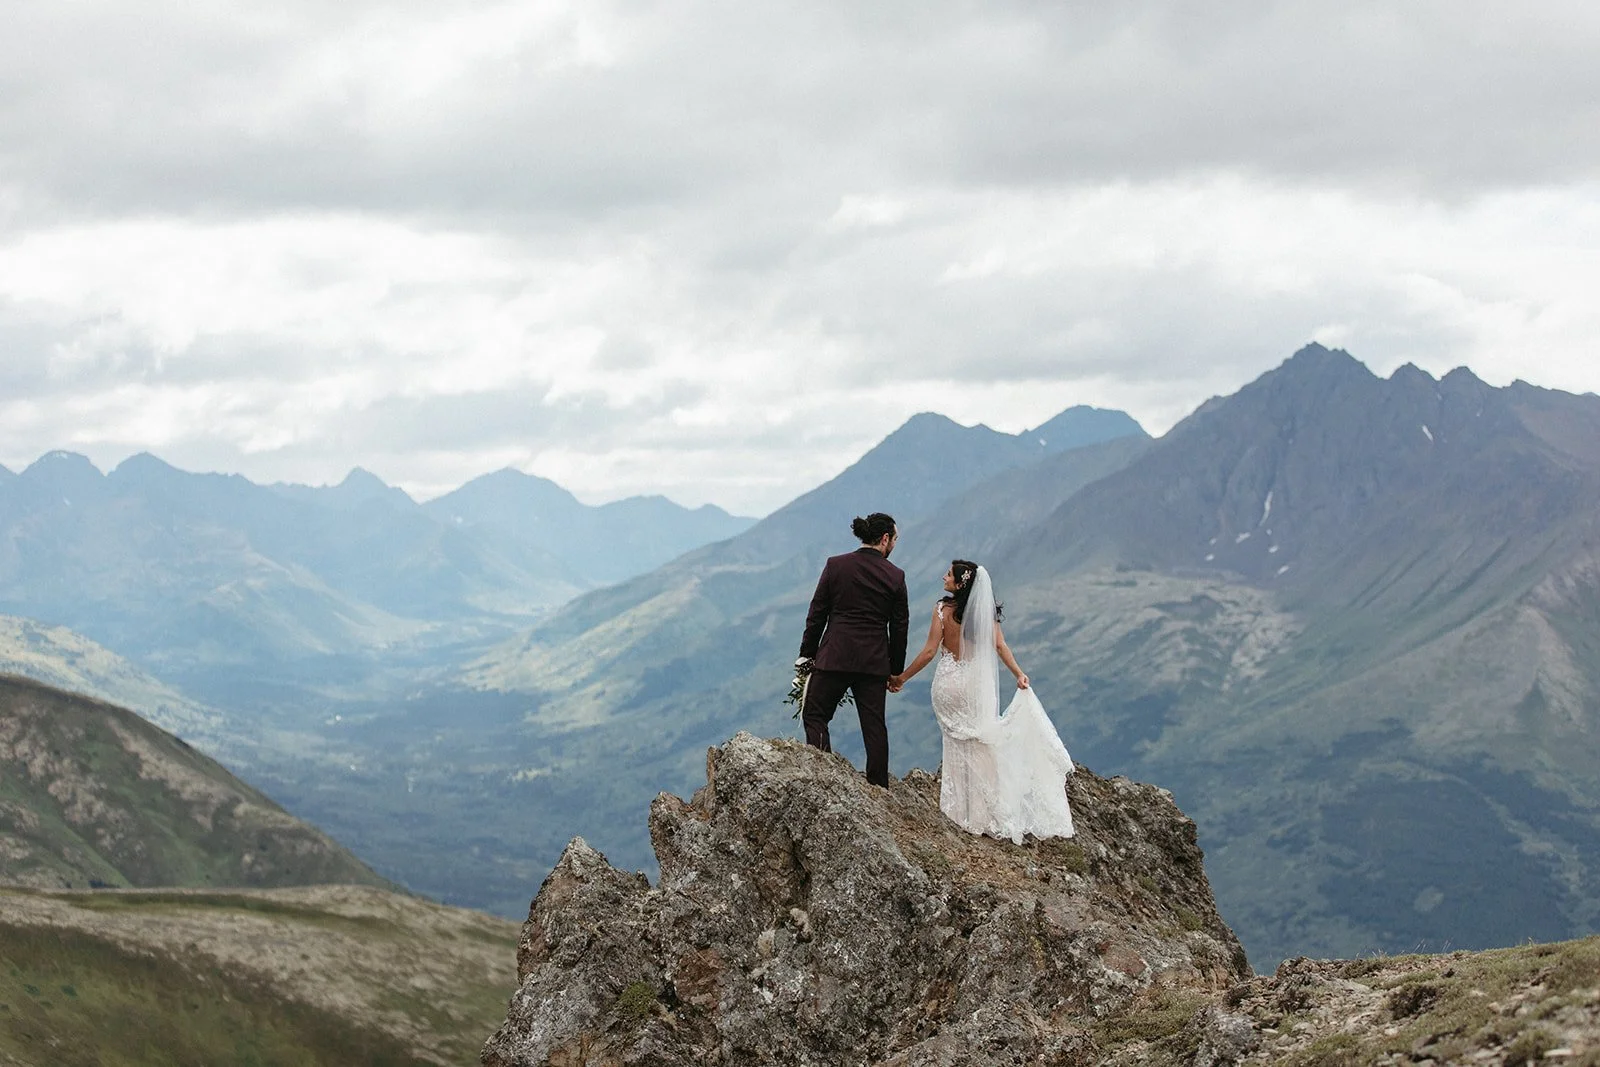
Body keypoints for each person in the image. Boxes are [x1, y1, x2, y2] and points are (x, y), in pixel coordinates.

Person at [891, 560, 1075, 841]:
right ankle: (981, 815)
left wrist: (902, 678)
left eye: (949, 574)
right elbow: (1000, 646)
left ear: (960, 583)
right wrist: (1019, 674)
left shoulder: (942, 610)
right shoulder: (983, 615)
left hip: (948, 685)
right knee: (981, 746)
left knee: (955, 744)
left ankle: (956, 812)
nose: (944, 576)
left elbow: (929, 652)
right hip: (975, 688)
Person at [797, 512, 911, 787]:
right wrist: (894, 670)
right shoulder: (895, 576)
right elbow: (899, 629)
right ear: (885, 539)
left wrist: (807, 655)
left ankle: (824, 777)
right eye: (895, 539)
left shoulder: (836, 566)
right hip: (873, 663)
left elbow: (817, 615)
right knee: (874, 727)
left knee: (814, 714)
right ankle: (879, 787)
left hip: (834, 656)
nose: (894, 544)